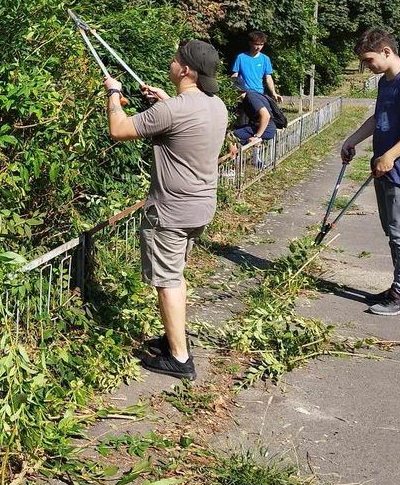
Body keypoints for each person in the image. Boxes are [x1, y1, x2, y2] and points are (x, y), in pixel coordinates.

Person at [104, 40, 228, 381]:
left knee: (168, 281)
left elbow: (119, 129)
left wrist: (113, 94)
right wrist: (165, 101)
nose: (171, 62)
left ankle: (179, 358)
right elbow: (184, 121)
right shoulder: (216, 105)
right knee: (176, 276)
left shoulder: (171, 110)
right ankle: (175, 340)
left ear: (185, 70)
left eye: (175, 59)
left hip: (171, 211)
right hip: (200, 206)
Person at [339, 28, 400, 316]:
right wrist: (352, 140)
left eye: (369, 60)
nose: (367, 66)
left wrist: (391, 155)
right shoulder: (386, 83)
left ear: (387, 52)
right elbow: (378, 117)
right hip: (385, 168)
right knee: (393, 232)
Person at [231, 75, 277, 168]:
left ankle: (233, 166)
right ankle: (255, 160)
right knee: (238, 132)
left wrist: (257, 136)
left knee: (231, 137)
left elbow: (266, 116)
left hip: (267, 129)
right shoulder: (249, 95)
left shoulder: (251, 98)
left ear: (237, 90)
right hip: (262, 127)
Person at [231, 30, 281, 101]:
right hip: (244, 94)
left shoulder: (265, 59)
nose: (259, 47)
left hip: (259, 94)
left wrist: (274, 93)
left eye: (261, 45)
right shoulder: (240, 57)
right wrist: (238, 91)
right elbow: (234, 76)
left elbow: (268, 78)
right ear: (250, 43)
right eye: (256, 44)